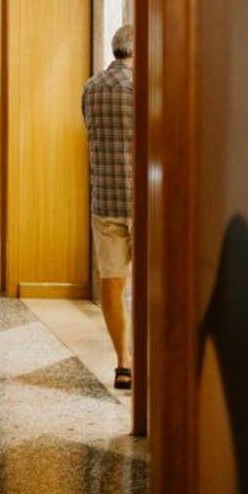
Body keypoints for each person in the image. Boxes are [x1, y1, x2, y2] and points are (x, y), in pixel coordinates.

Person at [82, 25, 135, 389]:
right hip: (145, 201)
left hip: (106, 197)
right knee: (151, 284)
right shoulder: (144, 89)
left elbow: (89, 130)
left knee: (112, 282)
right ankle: (151, 358)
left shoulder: (91, 87)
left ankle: (124, 362)